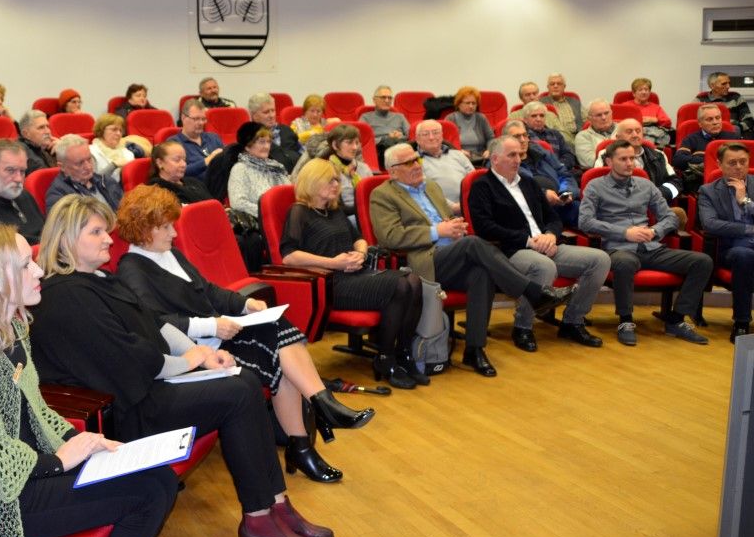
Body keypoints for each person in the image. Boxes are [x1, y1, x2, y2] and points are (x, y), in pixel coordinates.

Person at [30, 195, 334, 537]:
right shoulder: (67, 295)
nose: (109, 239)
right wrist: (188, 362)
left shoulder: (99, 279)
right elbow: (130, 359)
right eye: (96, 232)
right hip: (123, 409)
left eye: (105, 231)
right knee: (238, 394)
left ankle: (276, 505)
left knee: (243, 381)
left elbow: (155, 323)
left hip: (147, 388)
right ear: (66, 238)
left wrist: (202, 354)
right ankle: (258, 519)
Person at [0, 223, 178, 537]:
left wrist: (86, 442)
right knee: (147, 493)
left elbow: (38, 411)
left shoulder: (13, 327)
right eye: (25, 265)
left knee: (162, 478)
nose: (38, 271)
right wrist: (59, 461)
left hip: (36, 473)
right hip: (8, 498)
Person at [116, 185, 371, 483]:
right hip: (199, 352)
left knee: (279, 339)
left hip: (217, 336)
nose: (174, 232)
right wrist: (212, 325)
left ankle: (307, 435)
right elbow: (156, 322)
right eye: (166, 227)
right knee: (280, 346)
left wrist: (245, 304)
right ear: (144, 229)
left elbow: (208, 290)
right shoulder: (132, 269)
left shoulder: (168, 253)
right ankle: (316, 420)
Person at [369, 143, 573, 377]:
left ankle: (474, 349)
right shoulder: (382, 195)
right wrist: (436, 231)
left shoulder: (431, 187)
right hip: (423, 261)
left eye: (417, 159)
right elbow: (389, 236)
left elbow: (448, 218)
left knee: (481, 274)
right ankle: (532, 292)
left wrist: (455, 227)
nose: (416, 165)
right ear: (393, 171)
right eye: (408, 163)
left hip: (454, 253)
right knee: (473, 244)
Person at [281, 159, 426, 388]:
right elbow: (289, 256)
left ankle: (403, 354)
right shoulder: (299, 212)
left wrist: (360, 253)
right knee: (400, 286)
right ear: (313, 181)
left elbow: (359, 239)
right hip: (331, 283)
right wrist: (333, 263)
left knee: (414, 282)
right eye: (330, 180)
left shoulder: (334, 211)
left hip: (356, 273)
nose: (336, 185)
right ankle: (385, 358)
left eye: (337, 180)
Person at [468, 135, 611, 351]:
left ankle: (572, 321)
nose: (518, 160)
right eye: (512, 155)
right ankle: (522, 327)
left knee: (600, 259)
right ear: (495, 159)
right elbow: (484, 227)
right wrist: (528, 241)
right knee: (544, 266)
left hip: (547, 244)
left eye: (519, 155)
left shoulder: (529, 183)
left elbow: (553, 217)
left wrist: (551, 235)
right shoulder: (482, 186)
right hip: (511, 250)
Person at [578, 140, 713, 347]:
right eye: (623, 159)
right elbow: (585, 222)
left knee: (702, 261)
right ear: (609, 161)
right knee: (626, 263)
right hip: (618, 249)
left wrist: (654, 231)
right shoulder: (595, 186)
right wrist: (625, 232)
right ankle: (625, 320)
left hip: (651, 247)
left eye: (632, 158)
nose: (629, 163)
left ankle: (676, 319)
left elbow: (670, 217)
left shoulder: (646, 185)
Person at [697, 142, 754, 343]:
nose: (738, 167)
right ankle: (742, 322)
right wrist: (748, 229)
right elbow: (710, 224)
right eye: (732, 163)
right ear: (719, 164)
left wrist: (745, 201)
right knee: (744, 255)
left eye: (743, 162)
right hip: (730, 249)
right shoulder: (708, 191)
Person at [504, 119, 580, 228]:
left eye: (525, 135)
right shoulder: (502, 162)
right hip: (530, 211)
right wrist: (543, 195)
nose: (522, 140)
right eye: (517, 137)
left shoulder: (541, 153)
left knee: (584, 209)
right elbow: (515, 188)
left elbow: (564, 174)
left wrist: (566, 192)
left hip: (559, 202)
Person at [615, 118, 686, 227]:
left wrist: (656, 195)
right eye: (629, 132)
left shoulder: (658, 155)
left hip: (654, 207)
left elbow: (676, 183)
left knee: (678, 215)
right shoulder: (606, 156)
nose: (635, 135)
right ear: (618, 137)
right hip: (620, 211)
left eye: (638, 131)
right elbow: (602, 186)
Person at [45, 134, 123, 213]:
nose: (88, 167)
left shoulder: (106, 181)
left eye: (89, 159)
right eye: (79, 163)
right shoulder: (58, 196)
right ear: (62, 167)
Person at [227, 122, 290, 218]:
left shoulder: (276, 166)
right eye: (261, 142)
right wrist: (270, 212)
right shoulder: (240, 169)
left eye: (268, 142)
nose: (267, 147)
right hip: (261, 220)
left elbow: (289, 192)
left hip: (285, 217)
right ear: (247, 146)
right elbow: (238, 203)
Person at [413, 120, 474, 212]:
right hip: (438, 212)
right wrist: (453, 207)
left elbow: (475, 181)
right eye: (425, 134)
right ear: (417, 139)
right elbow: (421, 190)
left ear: (442, 136)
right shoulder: (413, 160)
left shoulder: (458, 154)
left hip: (470, 206)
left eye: (435, 133)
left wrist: (470, 202)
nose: (431, 137)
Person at [673, 103, 735, 193]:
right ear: (700, 123)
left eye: (718, 118)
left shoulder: (733, 138)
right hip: (703, 184)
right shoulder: (691, 139)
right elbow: (678, 160)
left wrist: (698, 157)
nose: (715, 122)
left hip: (732, 181)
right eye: (709, 119)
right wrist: (708, 160)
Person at [170, 99, 223, 181]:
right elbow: (177, 172)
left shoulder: (213, 138)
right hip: (194, 186)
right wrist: (207, 161)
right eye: (196, 119)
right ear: (183, 118)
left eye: (203, 119)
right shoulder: (174, 143)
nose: (201, 123)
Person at [247, 92, 302, 172]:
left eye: (273, 110)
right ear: (254, 116)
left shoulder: (286, 130)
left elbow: (302, 153)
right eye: (266, 112)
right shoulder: (250, 139)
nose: (271, 115)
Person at [146, 141, 213, 204]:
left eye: (184, 160)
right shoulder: (156, 192)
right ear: (160, 163)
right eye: (177, 160)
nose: (183, 164)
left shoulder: (194, 182)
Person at [522, 101, 578, 172]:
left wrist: (560, 166)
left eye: (542, 116)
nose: (539, 119)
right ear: (525, 120)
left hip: (561, 170)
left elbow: (568, 155)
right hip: (538, 173)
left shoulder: (555, 134)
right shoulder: (523, 137)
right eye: (534, 116)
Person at [446, 86, 494, 166]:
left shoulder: (481, 118)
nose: (471, 106)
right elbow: (445, 143)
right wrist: (458, 152)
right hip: (459, 159)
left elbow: (491, 138)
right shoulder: (450, 119)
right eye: (467, 103)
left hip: (481, 158)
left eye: (473, 103)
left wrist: (489, 150)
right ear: (459, 104)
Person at [696, 71, 754, 138]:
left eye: (729, 83)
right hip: (709, 135)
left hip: (734, 134)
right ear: (712, 86)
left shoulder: (736, 97)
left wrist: (737, 128)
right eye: (724, 84)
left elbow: (749, 120)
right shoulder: (700, 99)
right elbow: (697, 122)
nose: (728, 86)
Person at [360, 86, 407, 155]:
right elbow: (362, 139)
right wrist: (386, 139)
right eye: (383, 97)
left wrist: (401, 136)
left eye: (389, 98)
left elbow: (411, 135)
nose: (387, 100)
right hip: (379, 150)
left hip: (400, 147)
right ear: (374, 100)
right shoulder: (365, 117)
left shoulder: (400, 117)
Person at [89, 113, 135, 182]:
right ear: (102, 130)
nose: (118, 133)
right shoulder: (91, 152)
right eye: (114, 129)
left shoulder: (128, 153)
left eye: (120, 130)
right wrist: (114, 165)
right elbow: (93, 181)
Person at [630, 77, 673, 148]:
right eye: (640, 90)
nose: (644, 92)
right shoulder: (626, 106)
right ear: (634, 93)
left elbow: (667, 122)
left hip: (651, 136)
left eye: (646, 90)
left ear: (649, 92)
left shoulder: (656, 108)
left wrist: (654, 120)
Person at [574, 99, 617, 169]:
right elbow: (589, 162)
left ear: (611, 113)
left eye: (606, 113)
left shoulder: (624, 129)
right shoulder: (583, 137)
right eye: (599, 115)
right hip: (601, 173)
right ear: (589, 119)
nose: (604, 117)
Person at [544, 73, 584, 144]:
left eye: (559, 84)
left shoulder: (575, 102)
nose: (555, 86)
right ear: (548, 87)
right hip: (555, 140)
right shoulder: (541, 104)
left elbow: (587, 119)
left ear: (564, 86)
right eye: (552, 84)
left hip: (577, 137)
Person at [17, 109, 56, 174]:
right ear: (26, 134)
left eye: (47, 126)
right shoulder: (22, 153)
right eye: (41, 127)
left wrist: (60, 152)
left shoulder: (40, 146)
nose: (47, 131)